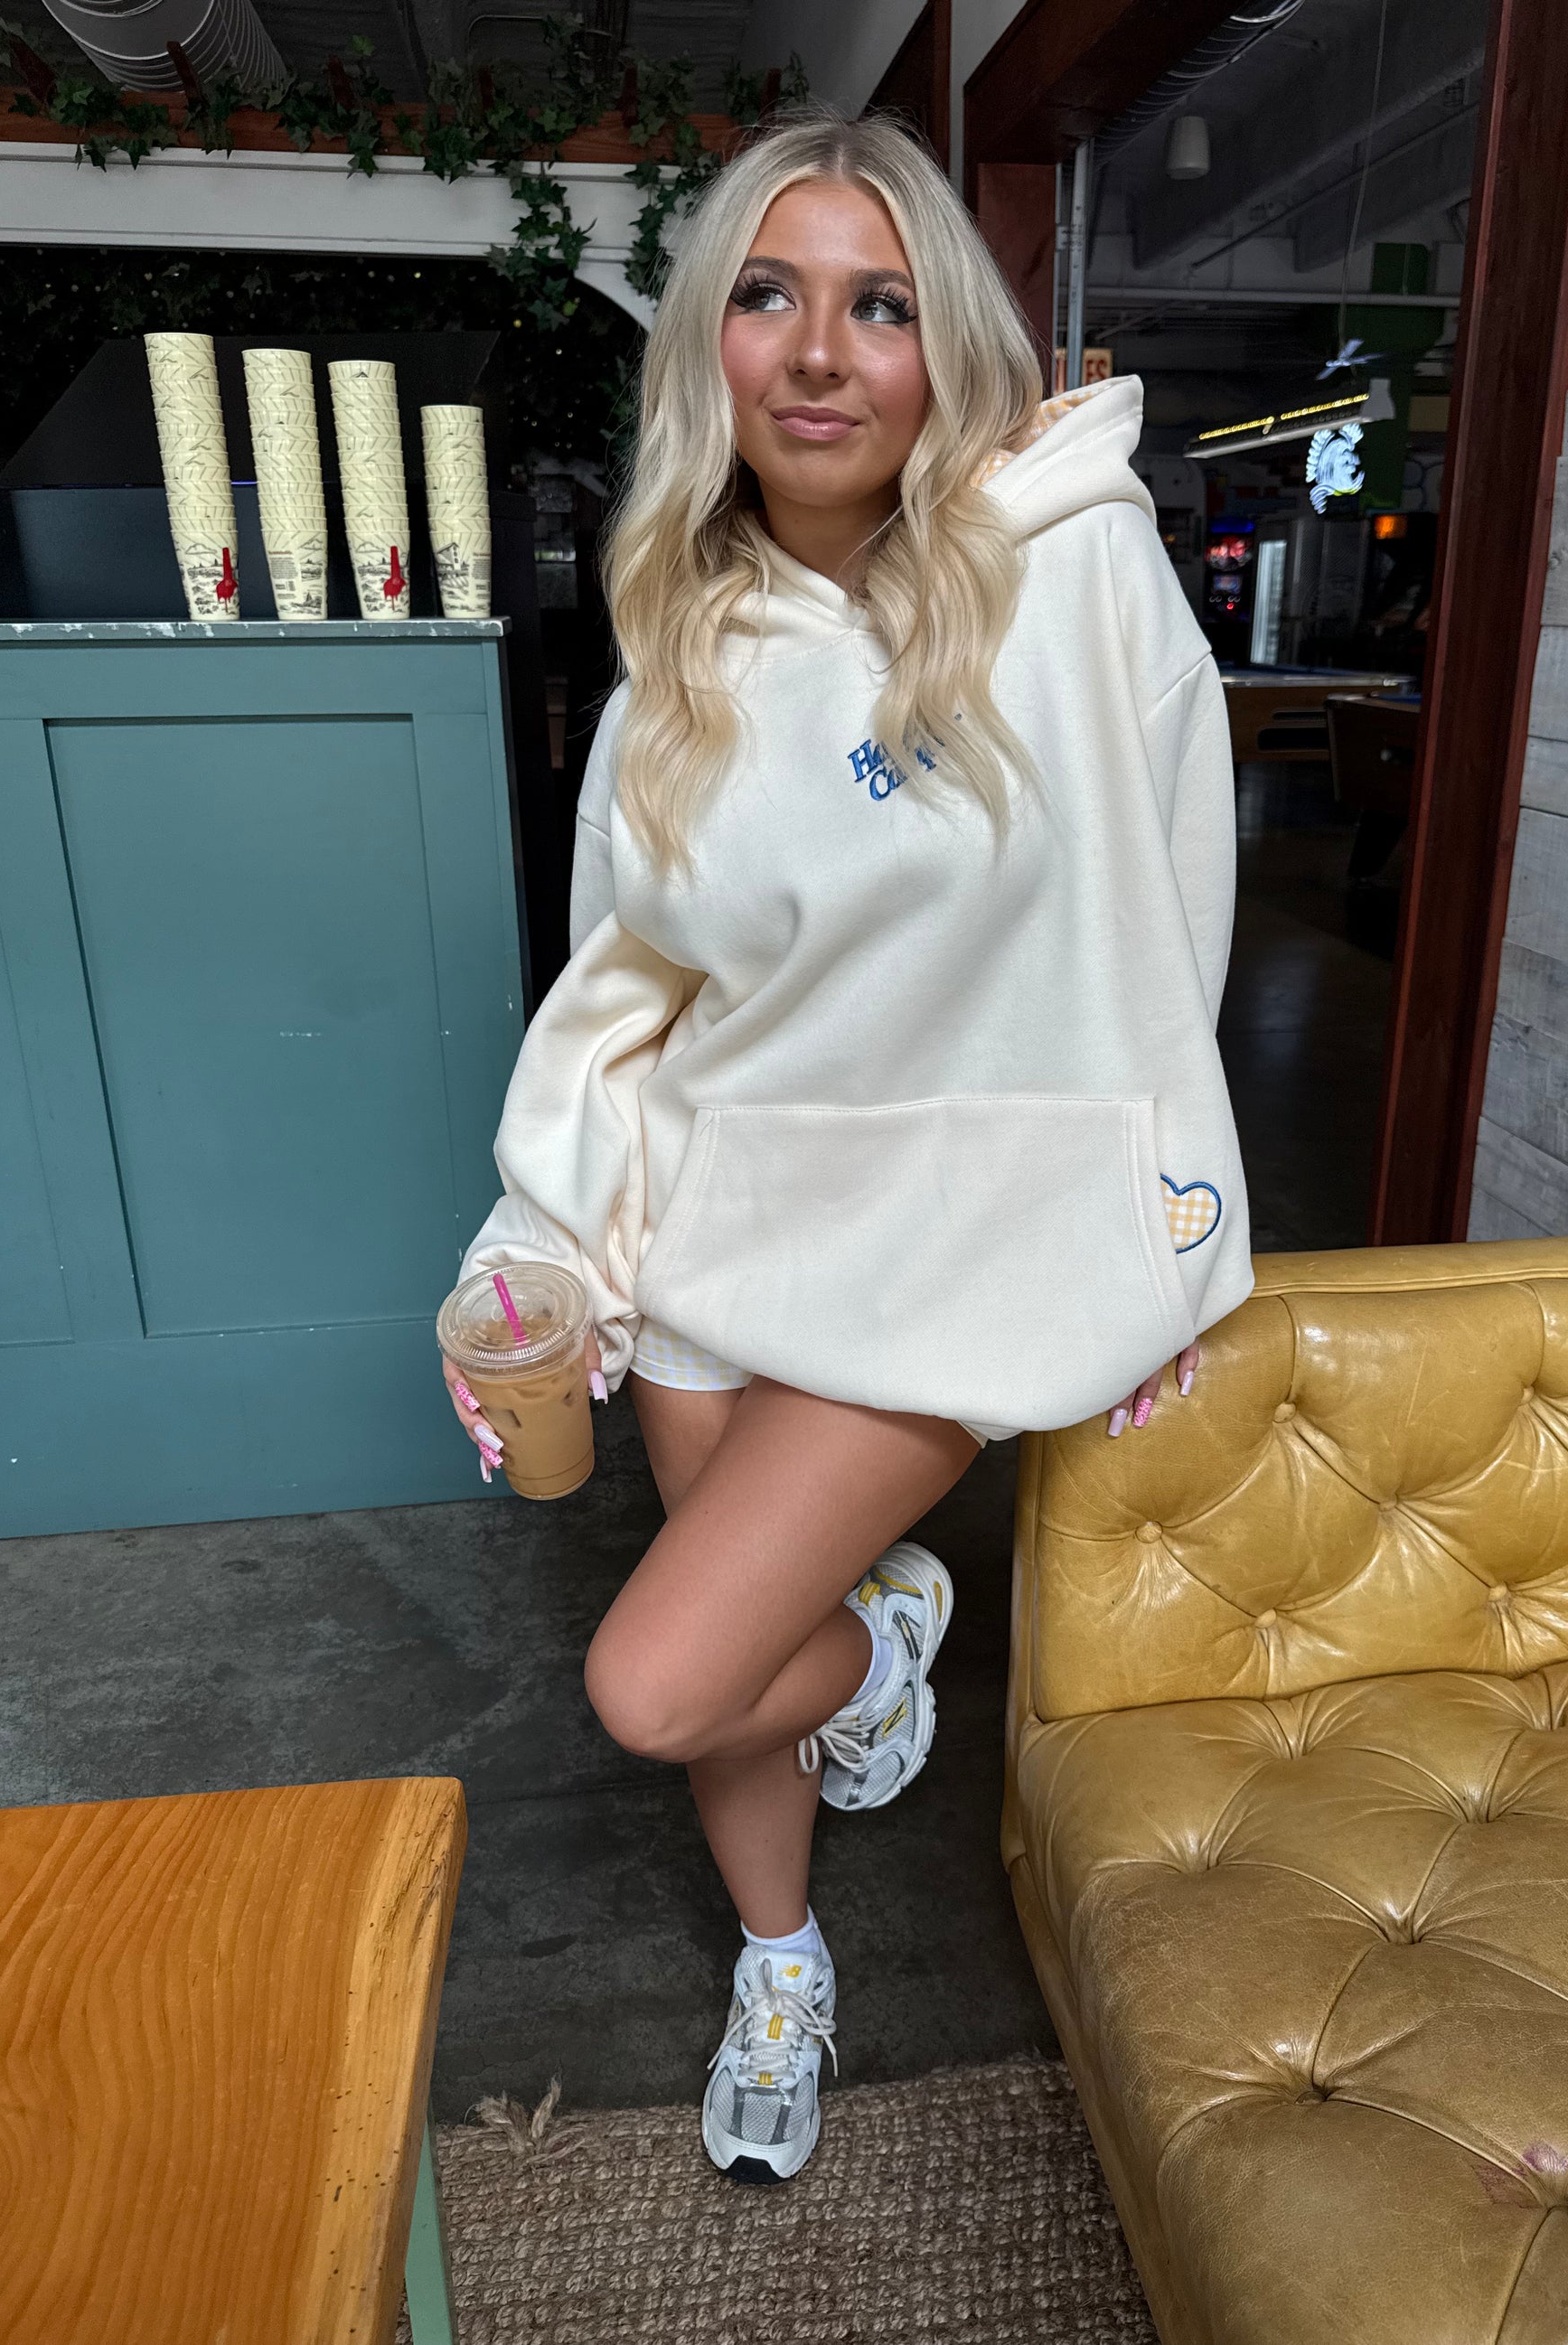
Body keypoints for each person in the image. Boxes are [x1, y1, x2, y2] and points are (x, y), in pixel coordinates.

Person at [446, 111, 1251, 2186]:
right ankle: (781, 1955)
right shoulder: (678, 651)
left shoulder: (1065, 564)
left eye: (879, 304)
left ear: (940, 348)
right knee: (736, 1681)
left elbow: (1166, 901)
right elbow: (623, 992)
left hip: (954, 1243)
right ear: (709, 347)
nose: (818, 351)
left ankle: (880, 1633)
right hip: (717, 1222)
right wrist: (550, 1249)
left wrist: (1161, 1220)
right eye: (768, 297)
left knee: (661, 1675)